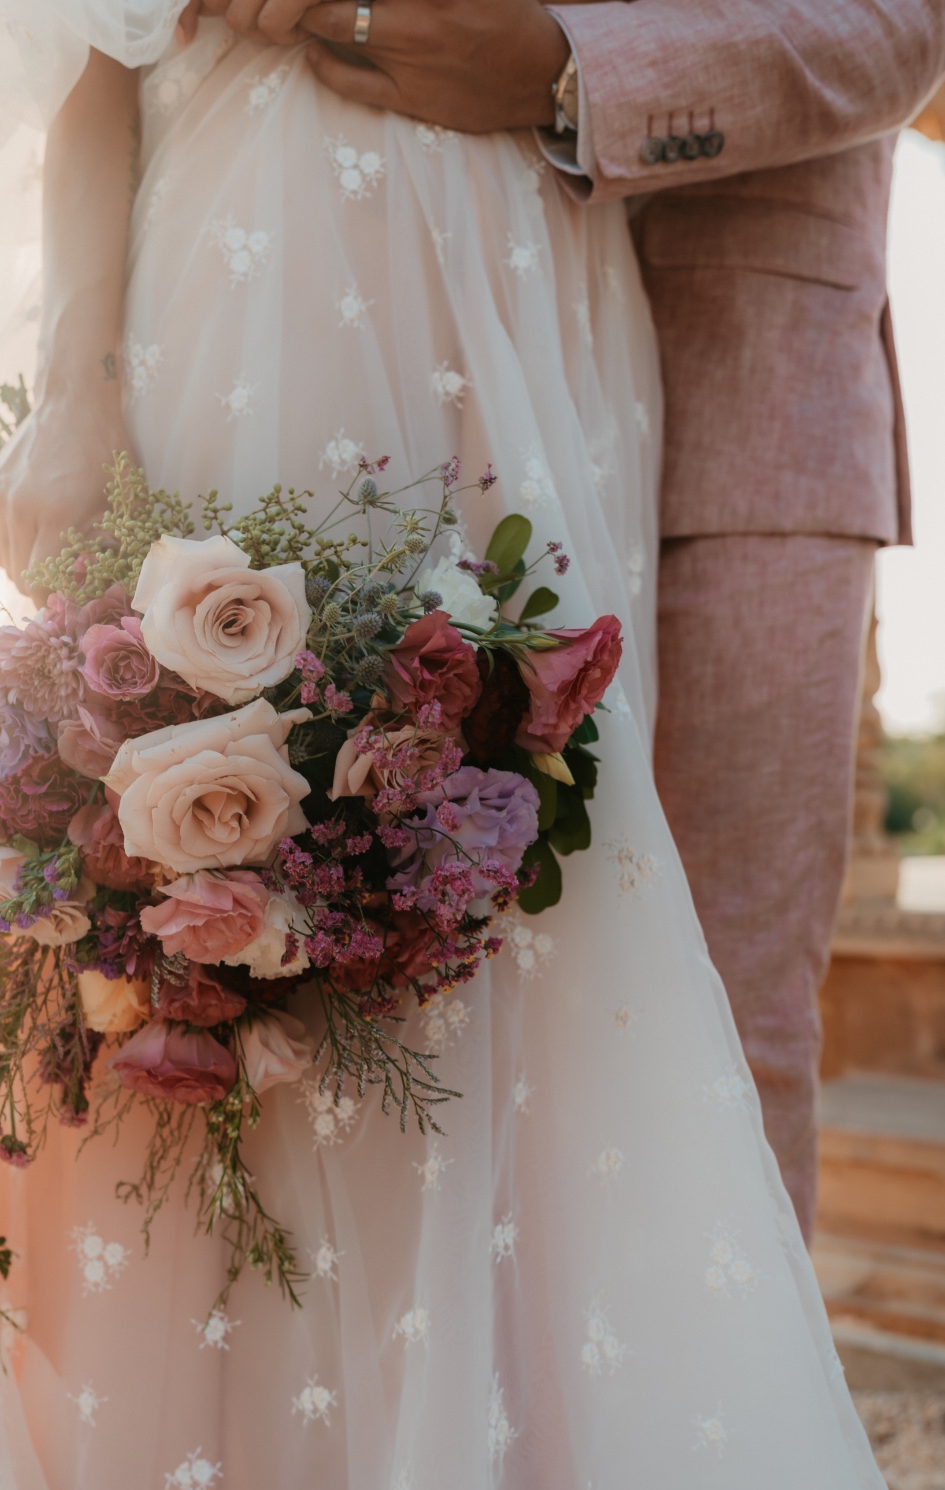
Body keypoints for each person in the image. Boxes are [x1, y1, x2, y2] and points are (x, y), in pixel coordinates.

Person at [0, 2, 945, 1490]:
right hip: (242, 269)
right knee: (181, 922)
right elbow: (84, 40)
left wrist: (549, 69)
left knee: (546, 943)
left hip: (549, 296)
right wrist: (79, 369)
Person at [288, 0, 945, 1242]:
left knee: (715, 1010)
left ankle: (727, 1431)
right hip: (432, 348)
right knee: (415, 981)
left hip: (739, 407)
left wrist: (572, 71)